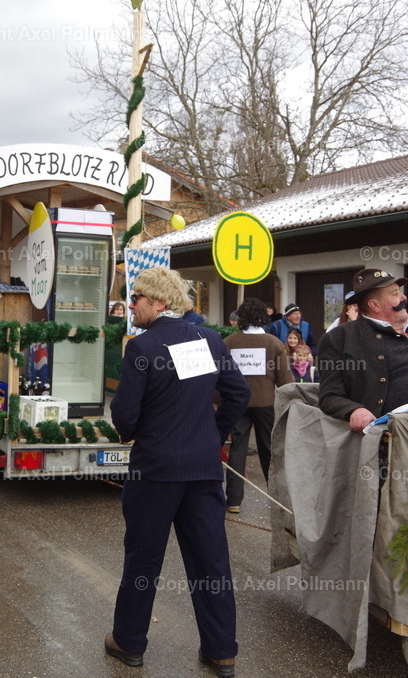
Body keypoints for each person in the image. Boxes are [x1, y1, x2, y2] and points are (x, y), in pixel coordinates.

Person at [107, 267, 249, 678]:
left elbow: (126, 414)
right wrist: (213, 434)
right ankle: (222, 651)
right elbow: (237, 393)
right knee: (212, 563)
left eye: (137, 298)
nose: (131, 305)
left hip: (155, 470)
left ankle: (130, 643)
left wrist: (131, 432)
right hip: (203, 469)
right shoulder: (209, 339)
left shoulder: (141, 346)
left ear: (160, 303)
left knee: (143, 561)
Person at [318, 268, 408, 432]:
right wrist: (355, 410)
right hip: (395, 432)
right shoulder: (339, 338)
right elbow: (330, 396)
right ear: (374, 305)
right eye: (395, 294)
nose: (404, 298)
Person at [222, 297, 293, 514]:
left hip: (237, 403)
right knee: (269, 450)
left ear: (240, 318)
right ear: (264, 317)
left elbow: (221, 375)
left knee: (237, 449)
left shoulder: (229, 342)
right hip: (266, 403)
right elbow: (284, 379)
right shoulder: (273, 343)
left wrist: (217, 401)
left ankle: (233, 500)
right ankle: (276, 497)